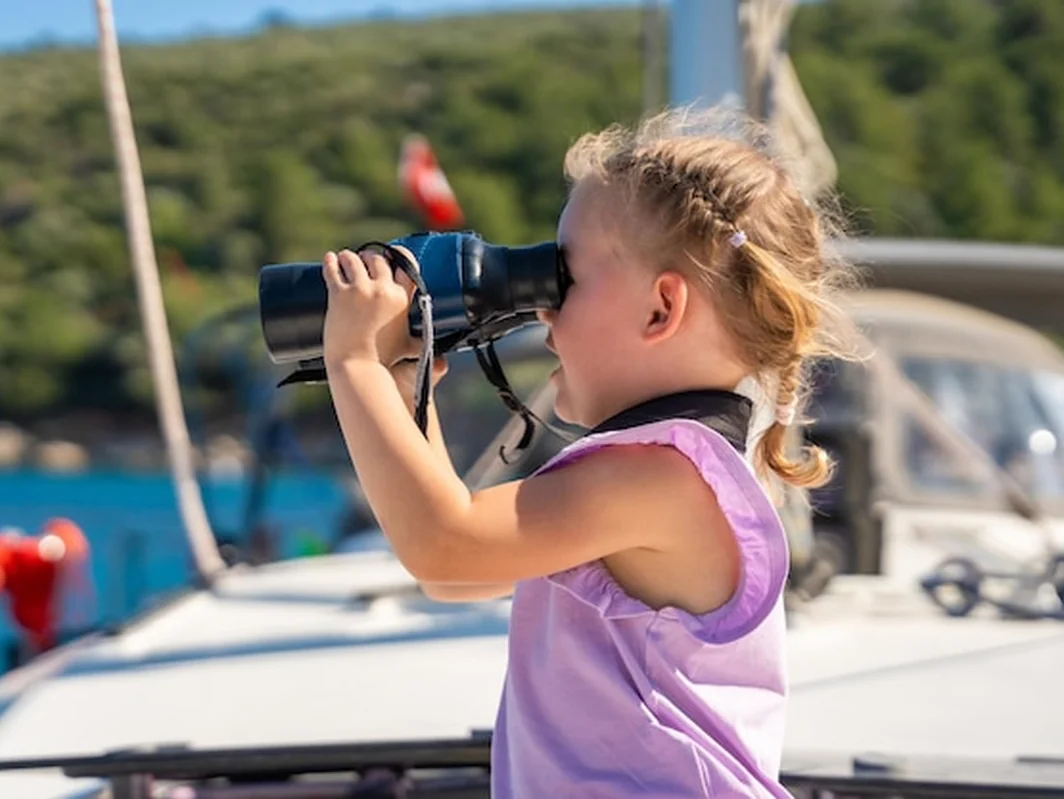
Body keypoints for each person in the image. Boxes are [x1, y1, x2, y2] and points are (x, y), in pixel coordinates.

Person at [319, 107, 858, 798]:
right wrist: (405, 398)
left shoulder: (663, 476)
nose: (542, 309)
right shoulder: (666, 468)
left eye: (563, 279)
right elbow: (454, 574)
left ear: (661, 310)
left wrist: (355, 358)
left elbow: (446, 546)